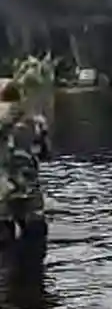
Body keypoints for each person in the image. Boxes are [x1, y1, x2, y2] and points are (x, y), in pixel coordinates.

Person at [0, 82, 50, 245]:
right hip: (30, 190)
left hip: (4, 193)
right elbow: (46, 154)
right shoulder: (37, 122)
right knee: (36, 241)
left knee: (4, 247)